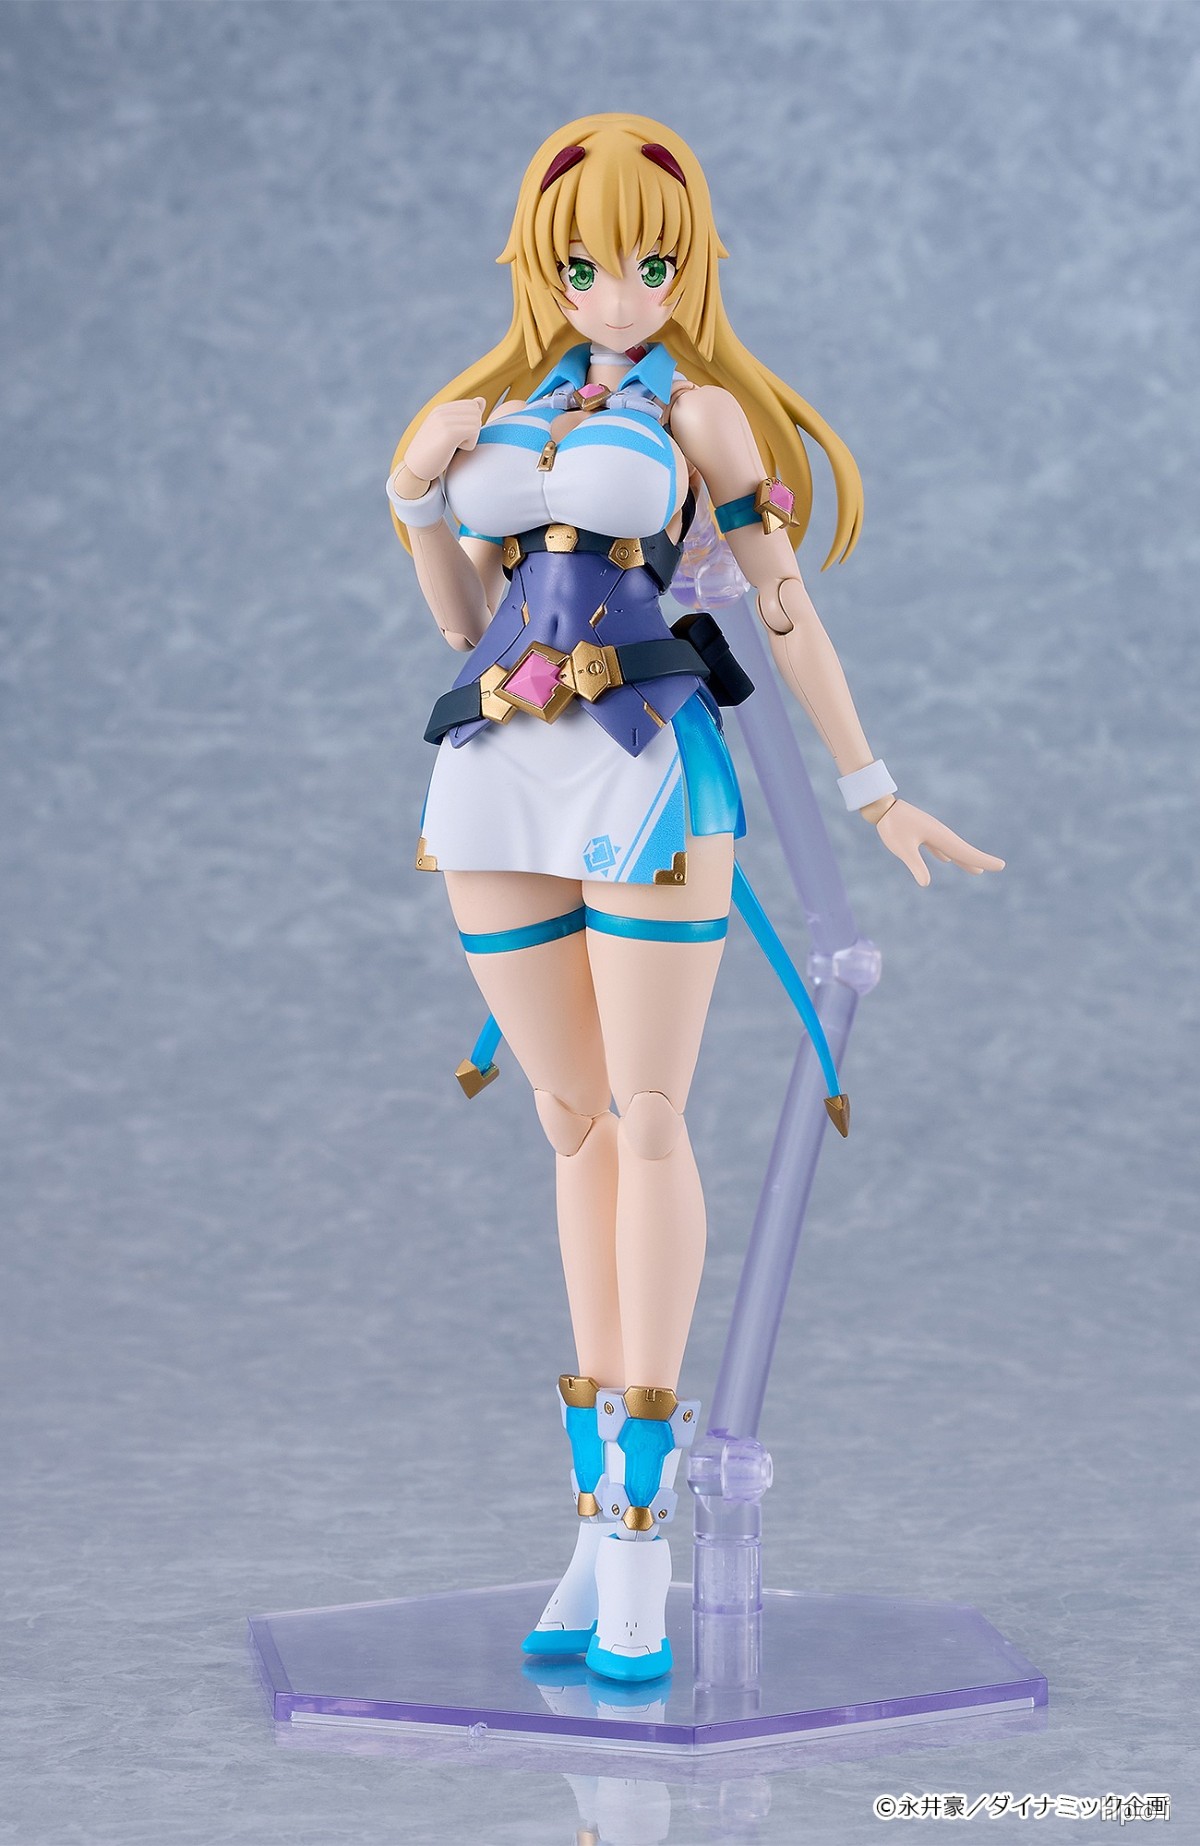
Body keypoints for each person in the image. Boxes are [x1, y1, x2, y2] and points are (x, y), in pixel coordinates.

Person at [387, 114, 1003, 1684]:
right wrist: (416, 502)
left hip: (651, 770)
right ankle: (592, 1520)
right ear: (545, 269)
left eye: (650, 264)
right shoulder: (494, 414)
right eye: (586, 265)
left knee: (651, 1118)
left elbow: (782, 607)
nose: (617, 292)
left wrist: (874, 787)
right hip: (496, 769)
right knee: (570, 1122)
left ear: (688, 267)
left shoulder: (702, 415)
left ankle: (643, 1536)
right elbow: (462, 620)